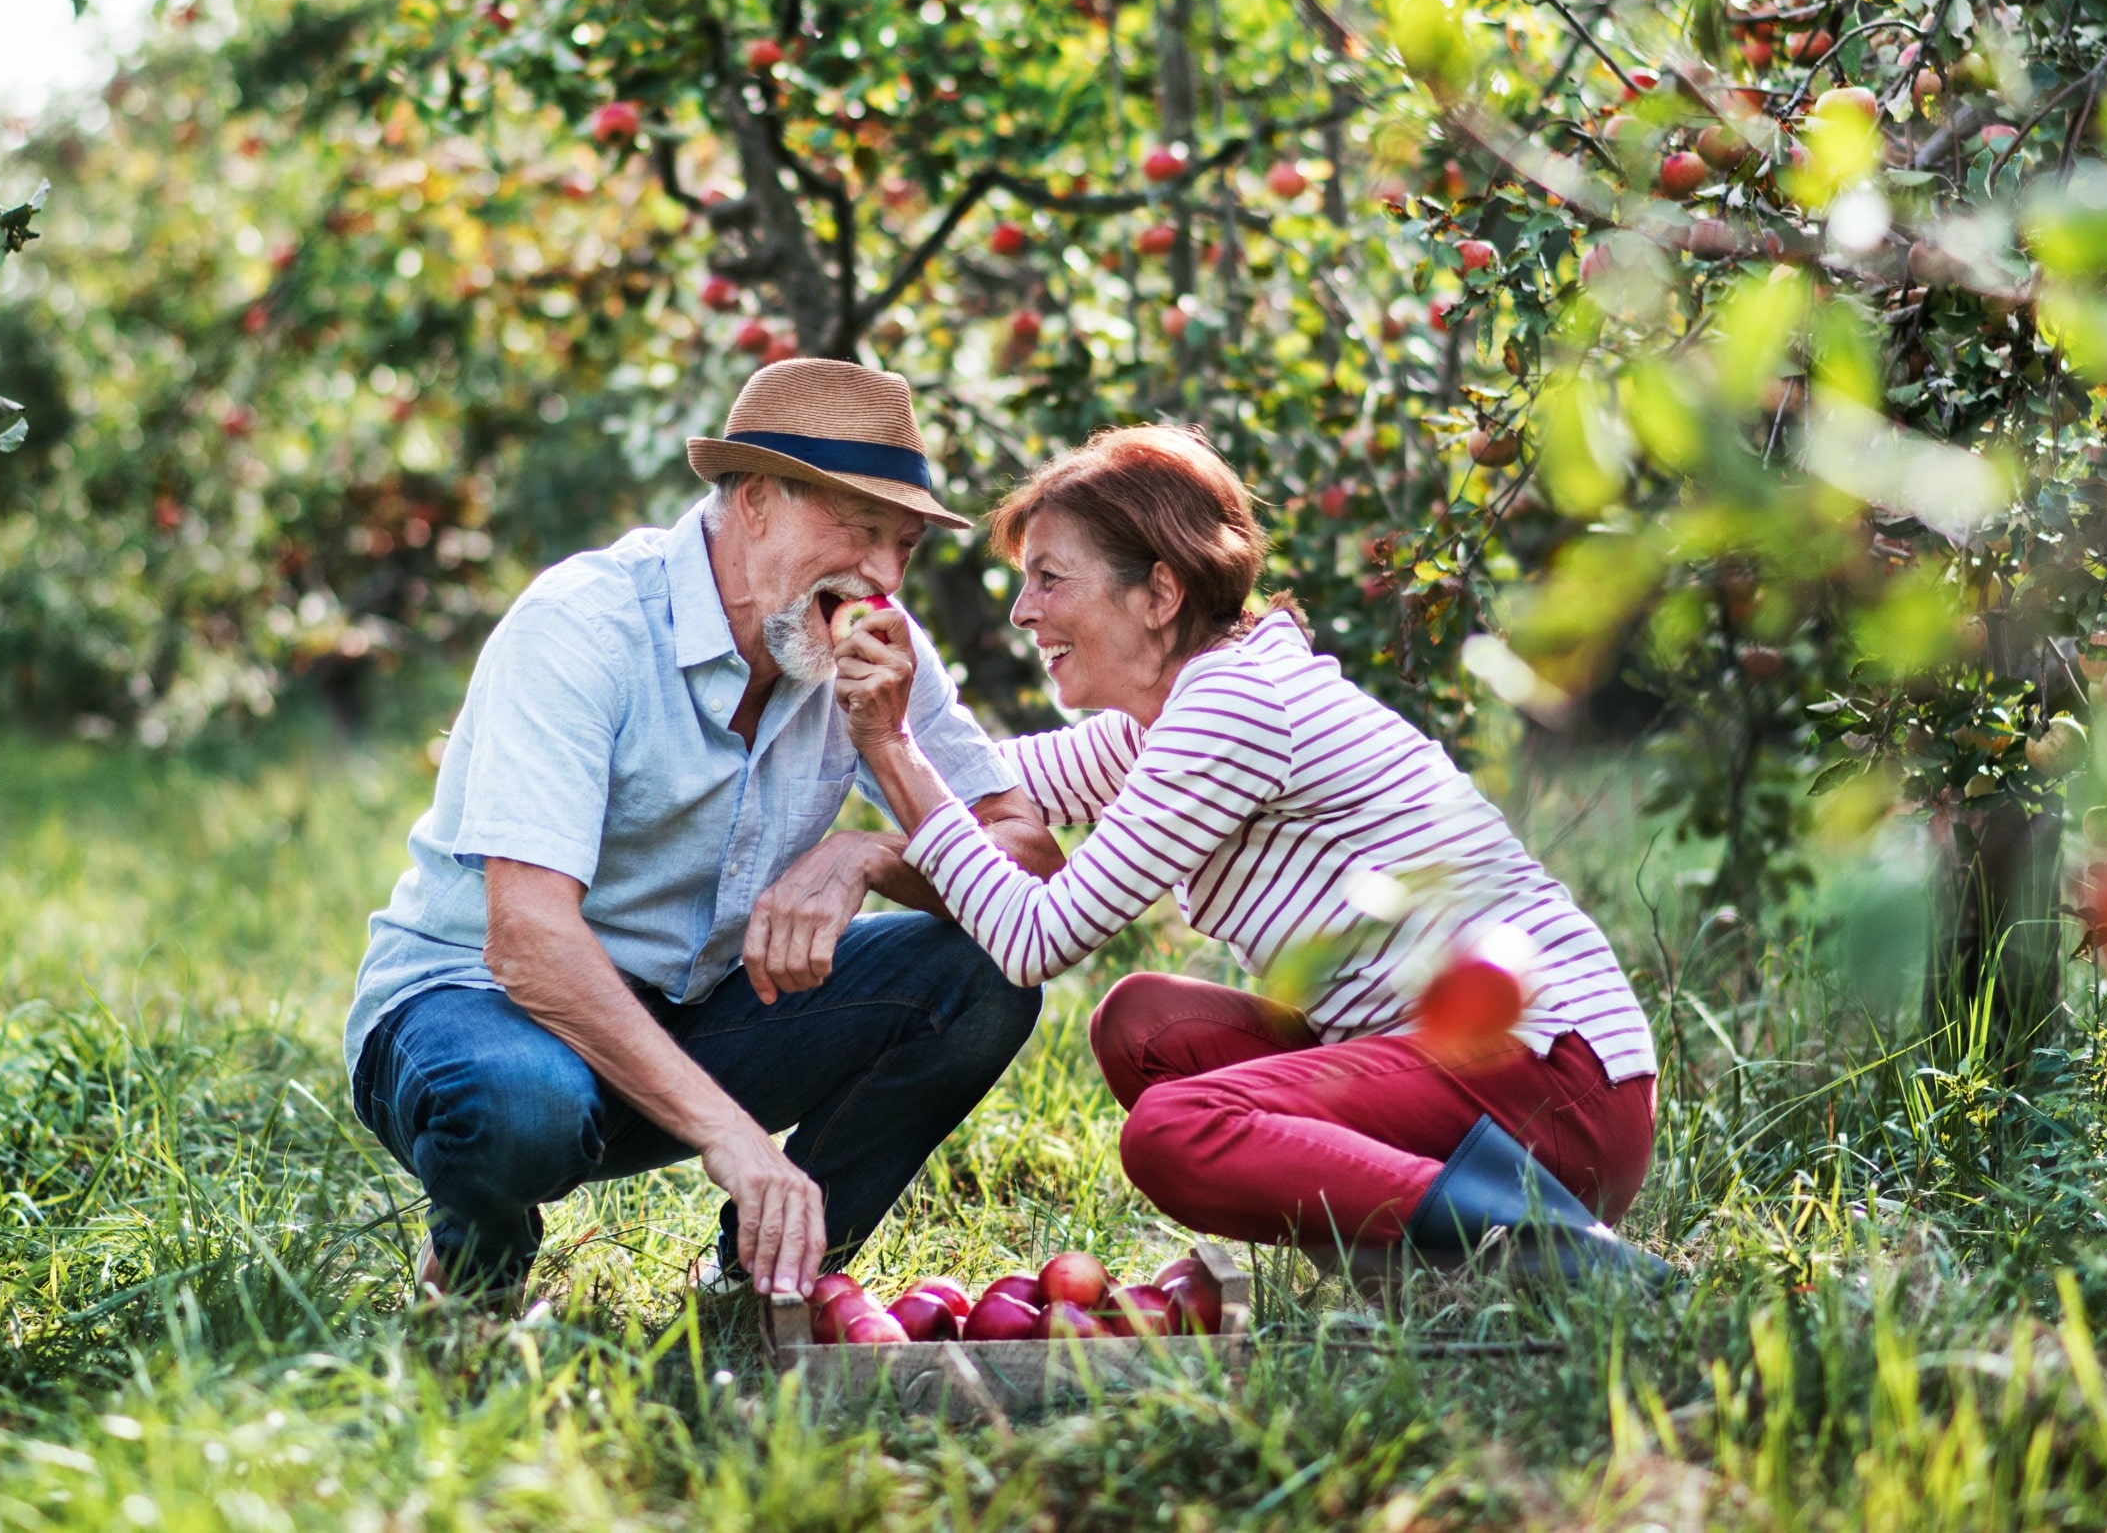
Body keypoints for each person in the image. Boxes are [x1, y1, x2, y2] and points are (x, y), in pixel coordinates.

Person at [832, 425, 1664, 1279]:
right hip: (1481, 1076)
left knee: (1173, 1131)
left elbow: (1033, 940)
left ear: (1159, 592)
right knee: (1145, 1027)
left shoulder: (1236, 709)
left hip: (1557, 1089)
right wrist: (857, 709)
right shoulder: (1176, 716)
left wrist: (890, 756)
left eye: (1050, 578)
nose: (1023, 610)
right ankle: (1415, 1266)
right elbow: (986, 788)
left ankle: (1551, 1250)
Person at [345, 359, 1061, 1305]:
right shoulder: (582, 628)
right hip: (484, 1008)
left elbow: (1030, 867)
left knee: (982, 977)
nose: (886, 576)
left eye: (905, 546)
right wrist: (734, 1140)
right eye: (860, 529)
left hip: (698, 1011)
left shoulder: (881, 645)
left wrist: (872, 845)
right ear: (757, 500)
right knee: (518, 1108)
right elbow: (526, 941)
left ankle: (756, 1288)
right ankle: (477, 1271)